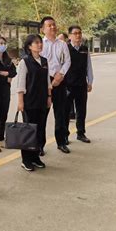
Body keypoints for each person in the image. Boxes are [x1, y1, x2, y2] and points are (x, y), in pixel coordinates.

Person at [17, 34, 52, 171]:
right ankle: (26, 160)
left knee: (40, 130)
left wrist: (49, 97)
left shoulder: (44, 61)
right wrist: (20, 102)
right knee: (28, 131)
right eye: (36, 43)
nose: (39, 45)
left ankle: (36, 156)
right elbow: (20, 84)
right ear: (29, 46)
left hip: (42, 101)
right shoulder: (24, 62)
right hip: (29, 102)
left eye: (40, 42)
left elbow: (48, 82)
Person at [40, 16, 71, 154]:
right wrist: (48, 80)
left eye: (54, 25)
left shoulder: (62, 44)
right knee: (42, 115)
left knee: (61, 114)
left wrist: (61, 75)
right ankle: (39, 145)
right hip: (44, 83)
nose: (52, 27)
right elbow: (38, 63)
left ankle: (61, 142)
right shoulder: (40, 43)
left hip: (59, 81)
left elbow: (67, 61)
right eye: (49, 25)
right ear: (42, 29)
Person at [65, 25, 93, 143]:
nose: (78, 36)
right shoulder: (65, 48)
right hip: (68, 85)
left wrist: (90, 81)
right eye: (75, 33)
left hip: (81, 84)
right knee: (66, 111)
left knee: (81, 110)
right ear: (70, 35)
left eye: (80, 33)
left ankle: (81, 133)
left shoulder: (84, 49)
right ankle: (64, 135)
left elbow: (89, 66)